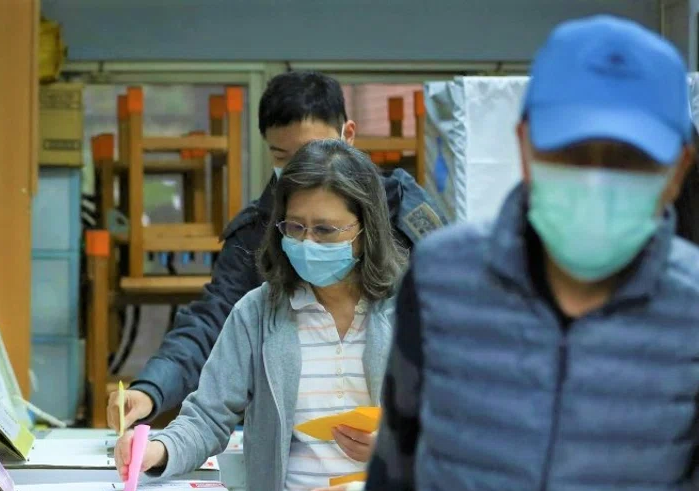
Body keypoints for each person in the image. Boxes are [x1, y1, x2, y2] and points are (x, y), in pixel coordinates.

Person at [345, 15, 698, 491]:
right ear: (526, 145)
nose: (596, 180)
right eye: (571, 151)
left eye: (628, 160)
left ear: (677, 170)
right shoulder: (445, 281)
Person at [114, 139, 406, 491]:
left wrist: (394, 449)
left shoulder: (411, 310)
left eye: (326, 230)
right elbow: (208, 415)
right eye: (295, 227)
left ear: (366, 230)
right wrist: (157, 449)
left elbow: (455, 431)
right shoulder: (259, 312)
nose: (307, 242)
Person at [107, 70, 445, 431]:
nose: (300, 173)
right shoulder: (257, 230)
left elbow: (452, 319)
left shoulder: (403, 211)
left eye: (328, 230)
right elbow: (211, 321)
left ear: (347, 135)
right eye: (283, 156)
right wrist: (151, 388)